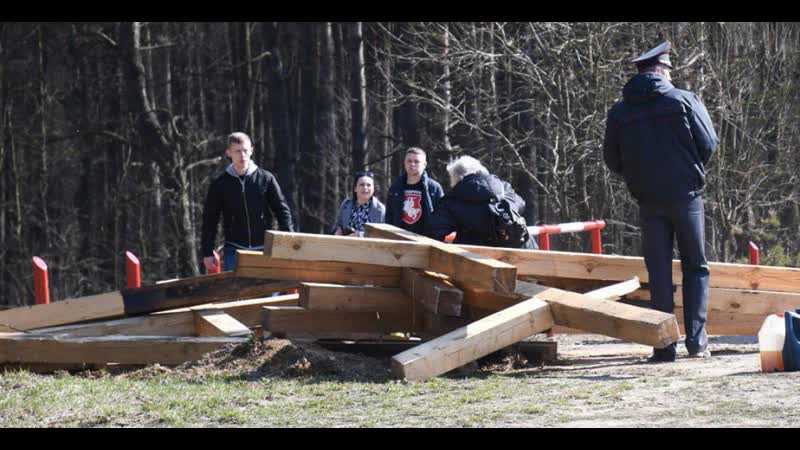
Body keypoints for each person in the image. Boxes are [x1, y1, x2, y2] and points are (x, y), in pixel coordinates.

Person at [602, 41, 719, 362]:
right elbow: (709, 144)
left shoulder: (619, 112)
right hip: (686, 196)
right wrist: (686, 169)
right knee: (695, 267)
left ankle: (664, 346)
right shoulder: (683, 101)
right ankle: (696, 343)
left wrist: (640, 178)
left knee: (659, 272)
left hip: (648, 200)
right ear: (662, 70)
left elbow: (612, 159)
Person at [201, 132, 294, 272]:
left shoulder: (266, 179)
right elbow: (210, 220)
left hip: (265, 248)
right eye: (237, 151)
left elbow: (282, 211)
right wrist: (207, 252)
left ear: (251, 150)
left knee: (268, 292)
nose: (242, 155)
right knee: (237, 293)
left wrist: (289, 242)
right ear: (229, 153)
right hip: (234, 250)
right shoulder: (219, 185)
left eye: (245, 150)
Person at [428, 155, 536, 249]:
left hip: (479, 261)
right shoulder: (504, 187)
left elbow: (433, 230)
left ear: (457, 178)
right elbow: (521, 204)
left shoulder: (453, 199)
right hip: (525, 251)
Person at [385, 147, 444, 236]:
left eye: (416, 161)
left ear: (424, 164)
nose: (412, 164)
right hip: (399, 239)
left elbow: (442, 218)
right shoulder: (395, 187)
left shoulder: (434, 188)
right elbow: (389, 217)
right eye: (409, 161)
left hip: (426, 241)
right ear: (404, 163)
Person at [332, 170, 386, 236]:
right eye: (362, 185)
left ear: (373, 189)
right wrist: (338, 230)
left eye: (368, 185)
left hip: (369, 245)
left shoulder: (380, 209)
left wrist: (360, 235)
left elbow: (381, 234)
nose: (365, 188)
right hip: (345, 244)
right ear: (355, 188)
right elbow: (337, 225)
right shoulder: (345, 205)